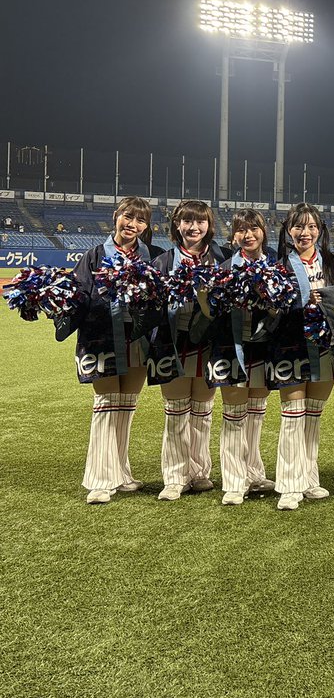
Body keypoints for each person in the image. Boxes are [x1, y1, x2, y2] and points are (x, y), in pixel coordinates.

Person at [56, 196, 163, 503]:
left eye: (140, 220)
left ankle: (120, 473)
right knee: (105, 405)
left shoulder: (153, 255)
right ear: (116, 216)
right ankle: (100, 480)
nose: (132, 224)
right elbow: (77, 298)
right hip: (101, 339)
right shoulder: (94, 256)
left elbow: (159, 301)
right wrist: (56, 304)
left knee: (126, 407)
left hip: (139, 341)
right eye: (128, 217)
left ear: (146, 226)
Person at [272, 204, 334, 510]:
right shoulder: (278, 264)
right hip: (289, 346)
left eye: (312, 227)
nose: (305, 233)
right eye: (298, 227)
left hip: (327, 346)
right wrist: (303, 299)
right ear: (288, 231)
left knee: (313, 416)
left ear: (321, 230)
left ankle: (309, 478)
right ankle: (289, 485)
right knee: (293, 415)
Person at [147, 200, 226, 501]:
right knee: (177, 411)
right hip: (173, 342)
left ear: (209, 225)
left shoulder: (222, 259)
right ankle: (175, 477)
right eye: (187, 221)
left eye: (201, 222)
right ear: (176, 225)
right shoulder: (163, 262)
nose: (194, 228)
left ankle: (200, 472)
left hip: (210, 345)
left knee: (202, 411)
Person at [208, 209, 276, 505]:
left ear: (263, 231)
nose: (247, 235)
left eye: (253, 228)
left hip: (264, 348)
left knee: (257, 412)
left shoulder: (277, 264)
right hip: (230, 347)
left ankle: (253, 471)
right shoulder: (224, 269)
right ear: (233, 235)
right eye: (241, 230)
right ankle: (234, 481)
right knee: (234, 414)